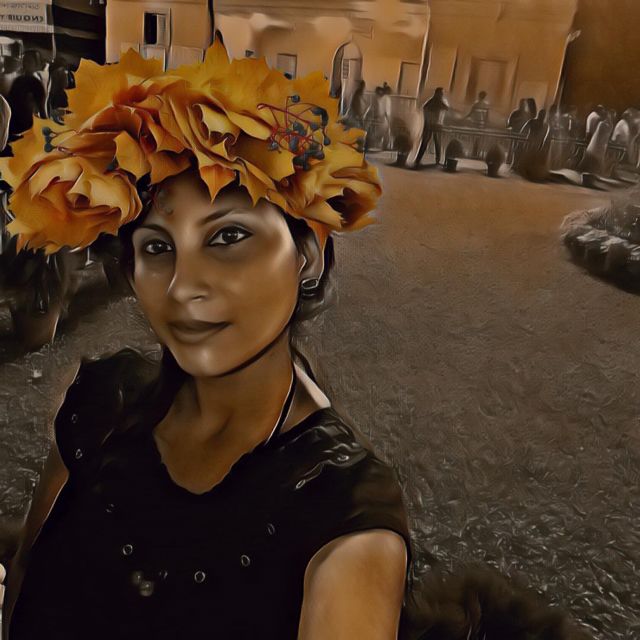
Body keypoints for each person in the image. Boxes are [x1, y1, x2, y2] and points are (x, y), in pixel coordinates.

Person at [0, 38, 413, 640]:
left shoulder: (344, 521)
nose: (182, 287)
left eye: (227, 237)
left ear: (308, 254)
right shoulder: (100, 406)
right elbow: (23, 592)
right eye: (157, 247)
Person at [6, 50, 47, 136]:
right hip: (13, 124)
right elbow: (9, 102)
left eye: (29, 61)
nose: (25, 63)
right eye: (24, 60)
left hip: (27, 125)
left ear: (36, 64)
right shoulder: (18, 81)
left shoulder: (36, 84)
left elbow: (41, 108)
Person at [413, 87, 449, 167]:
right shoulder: (439, 102)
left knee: (428, 143)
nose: (442, 95)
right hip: (435, 125)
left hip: (431, 124)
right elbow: (446, 108)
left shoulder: (431, 101)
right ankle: (436, 160)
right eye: (441, 93)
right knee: (435, 143)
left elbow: (425, 109)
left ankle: (418, 160)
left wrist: (427, 120)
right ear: (438, 93)